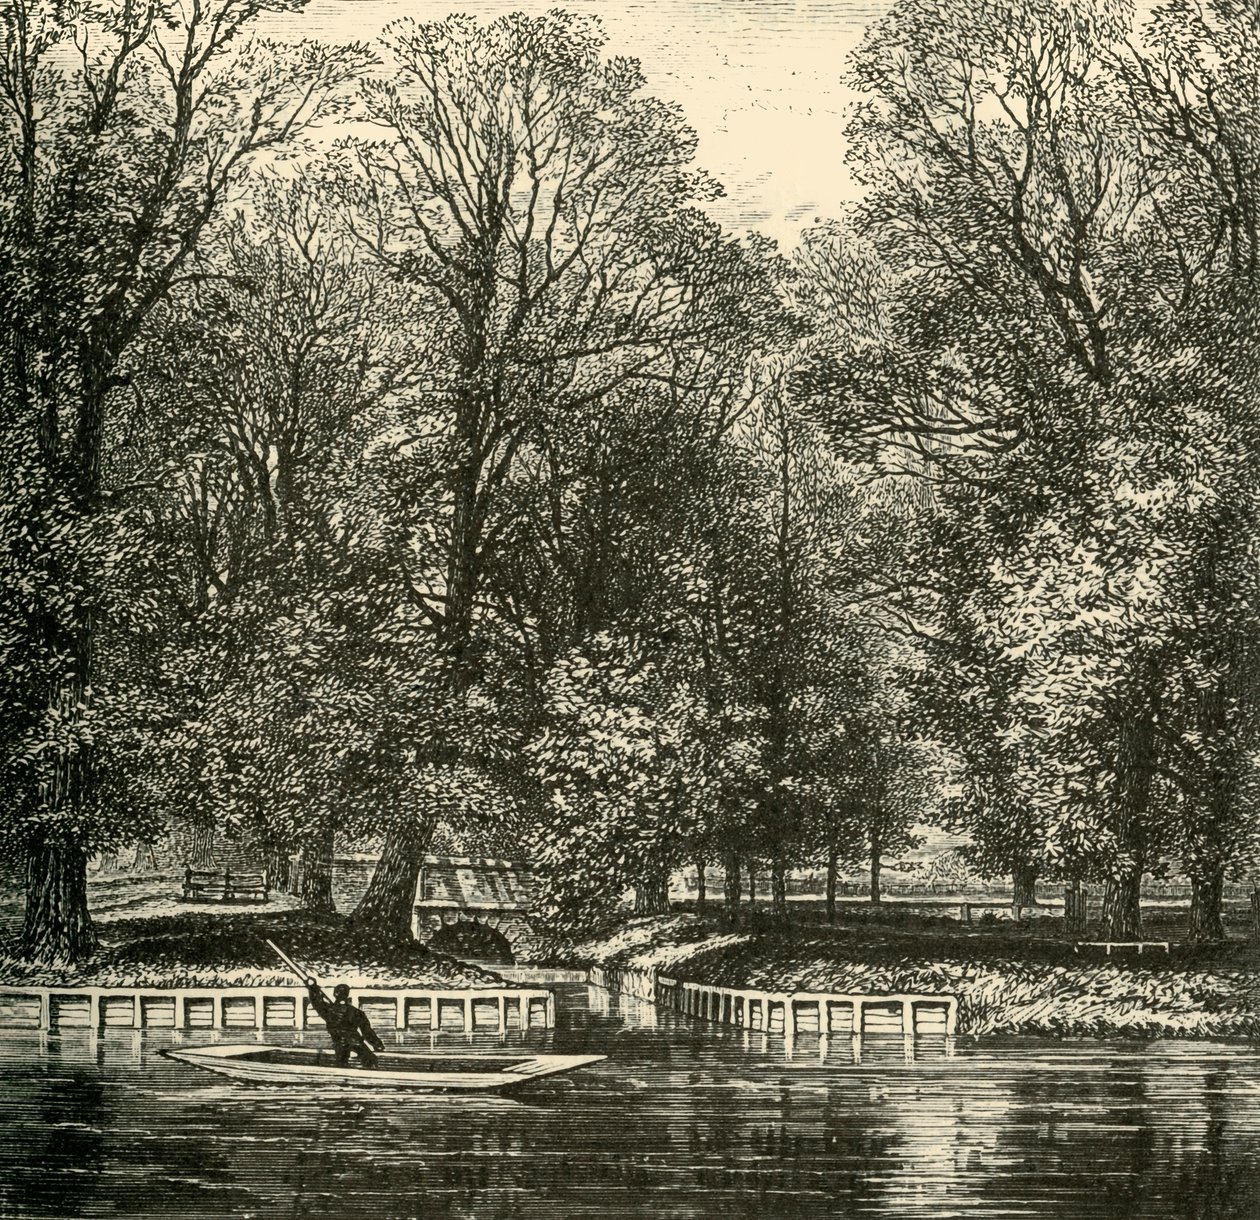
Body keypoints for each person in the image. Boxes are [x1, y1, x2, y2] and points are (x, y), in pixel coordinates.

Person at [305, 979, 385, 1068]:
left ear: (335, 994)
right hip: (355, 1041)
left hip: (339, 1042)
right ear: (347, 995)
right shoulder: (356, 1012)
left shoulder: (329, 1010)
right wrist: (377, 1044)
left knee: (342, 1064)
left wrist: (312, 987)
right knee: (371, 1060)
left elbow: (316, 1001)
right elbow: (367, 1031)